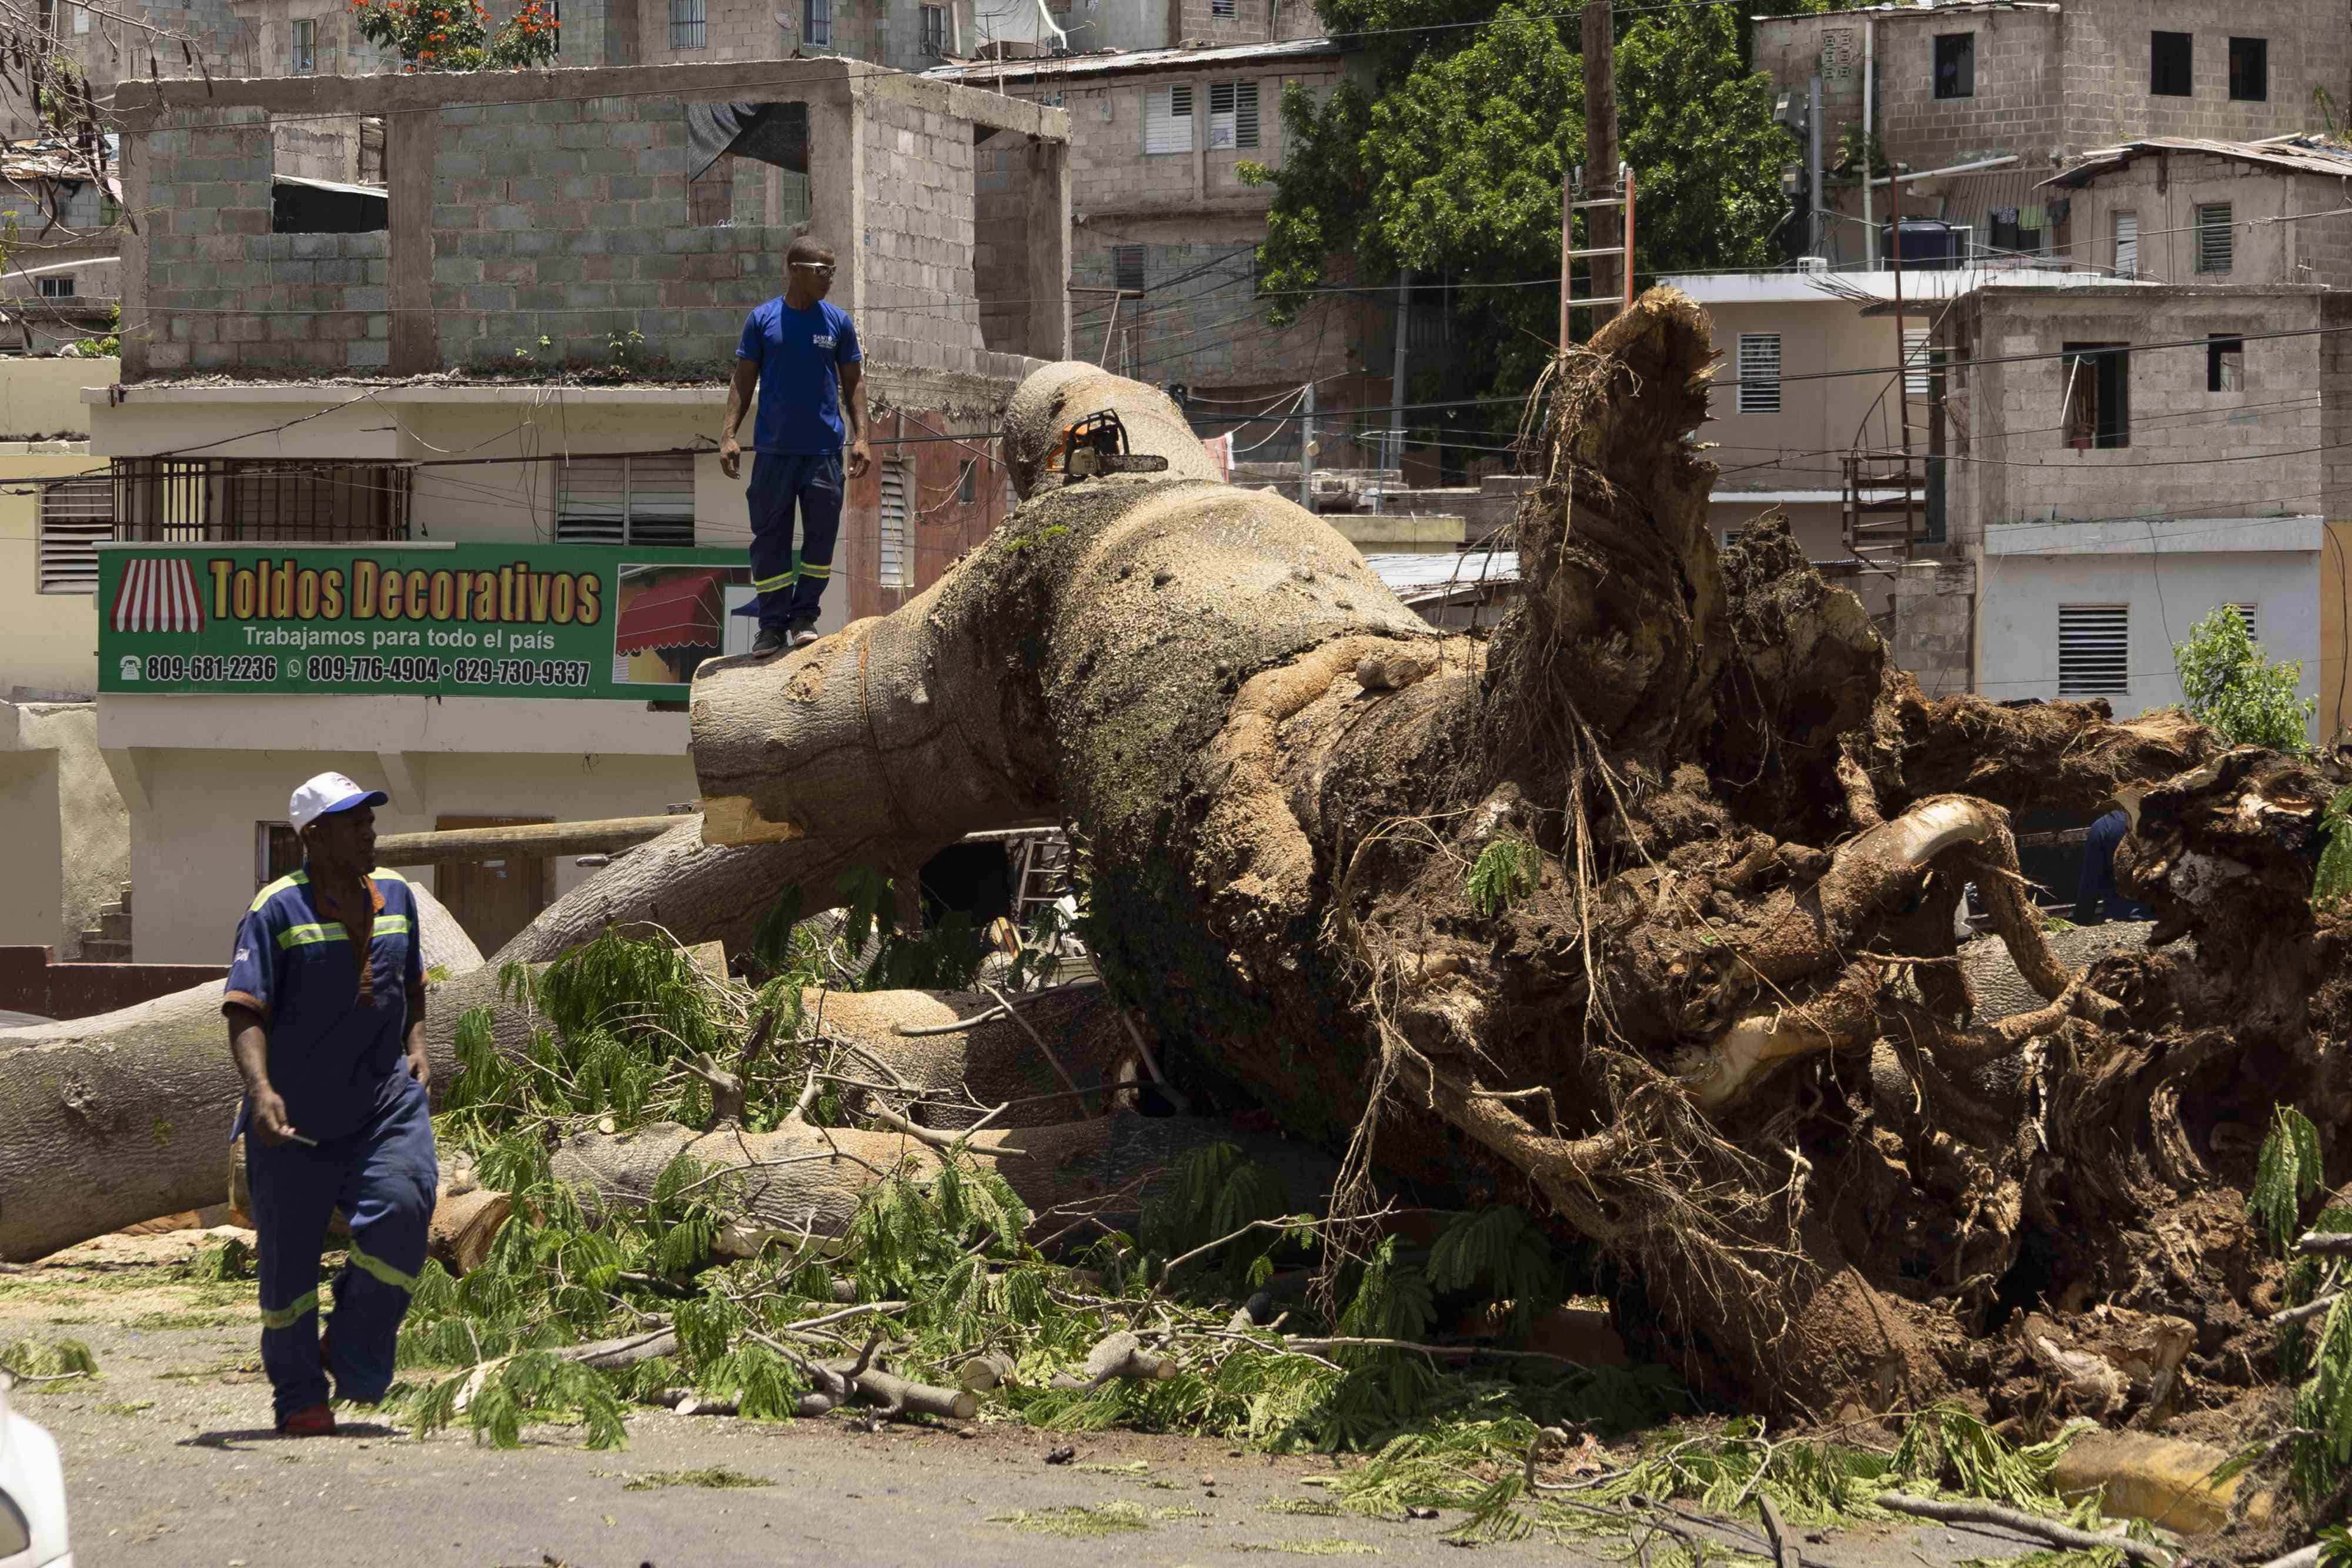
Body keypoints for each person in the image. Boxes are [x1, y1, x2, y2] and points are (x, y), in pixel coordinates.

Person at [221, 771, 436, 1437]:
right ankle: (299, 1397)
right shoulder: (275, 910)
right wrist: (261, 1091)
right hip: (296, 1120)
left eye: (370, 820)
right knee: (288, 1267)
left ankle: (349, 1344)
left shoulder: (398, 896)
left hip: (384, 1102)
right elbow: (243, 1008)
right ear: (313, 836)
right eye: (354, 822)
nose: (370, 831)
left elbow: (412, 983)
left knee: (405, 1210)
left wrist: (420, 1044)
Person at [719, 235, 873, 657]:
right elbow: (743, 379)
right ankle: (771, 627)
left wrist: (862, 438)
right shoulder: (763, 320)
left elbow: (854, 381)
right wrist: (729, 435)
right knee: (770, 541)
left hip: (823, 454)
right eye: (821, 271)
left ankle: (804, 617)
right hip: (773, 454)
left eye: (832, 271)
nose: (828, 279)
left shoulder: (837, 323)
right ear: (795, 271)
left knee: (821, 541)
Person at [2074, 807, 2151, 925]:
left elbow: (2091, 883)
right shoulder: (2168, 820)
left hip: (2121, 918)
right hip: (2167, 919)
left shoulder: (2104, 826)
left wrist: (2080, 922)